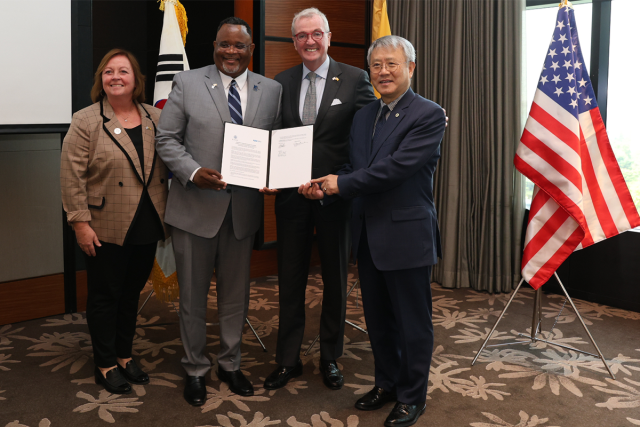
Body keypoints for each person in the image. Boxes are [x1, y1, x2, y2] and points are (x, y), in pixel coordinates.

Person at [300, 35, 446, 427]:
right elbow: (355, 167)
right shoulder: (365, 114)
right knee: (379, 319)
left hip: (406, 236)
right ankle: (387, 384)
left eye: (391, 64)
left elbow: (394, 169)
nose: (382, 71)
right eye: (376, 65)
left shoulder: (429, 114)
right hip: (367, 234)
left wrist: (340, 184)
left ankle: (413, 397)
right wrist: (323, 187)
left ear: (410, 68)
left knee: (413, 323)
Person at [155, 17, 282, 406]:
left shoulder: (271, 90)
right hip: (195, 209)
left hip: (242, 212)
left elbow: (273, 145)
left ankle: (230, 363)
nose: (231, 52)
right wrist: (193, 172)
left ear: (250, 50)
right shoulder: (188, 82)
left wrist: (273, 173)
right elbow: (167, 138)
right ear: (214, 46)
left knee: (235, 296)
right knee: (192, 297)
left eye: (239, 46)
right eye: (224, 44)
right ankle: (195, 367)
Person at [261, 7, 376, 392]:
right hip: (292, 200)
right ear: (293, 42)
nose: (309, 41)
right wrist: (273, 176)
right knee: (289, 279)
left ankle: (330, 356)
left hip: (336, 198)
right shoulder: (282, 82)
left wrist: (336, 182)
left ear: (328, 37)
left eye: (315, 34)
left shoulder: (356, 79)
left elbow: (363, 142)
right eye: (301, 36)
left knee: (334, 280)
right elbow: (276, 137)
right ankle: (288, 360)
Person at [61, 49, 168, 395]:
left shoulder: (155, 117)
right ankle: (105, 363)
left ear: (136, 79)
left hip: (147, 222)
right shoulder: (86, 120)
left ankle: (124, 355)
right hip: (104, 225)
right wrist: (80, 223)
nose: (116, 76)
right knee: (106, 295)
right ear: (101, 81)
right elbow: (71, 176)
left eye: (123, 71)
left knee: (130, 295)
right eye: (109, 72)